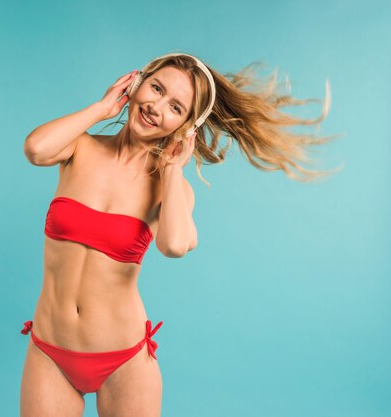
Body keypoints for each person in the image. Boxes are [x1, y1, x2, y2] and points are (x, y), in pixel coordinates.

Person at [19, 51, 340, 417]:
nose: (156, 107)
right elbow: (35, 148)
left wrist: (172, 171)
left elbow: (173, 245)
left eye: (176, 108)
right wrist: (102, 108)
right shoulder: (80, 147)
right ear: (136, 82)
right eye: (156, 88)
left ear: (184, 126)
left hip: (122, 360)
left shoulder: (172, 189)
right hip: (50, 351)